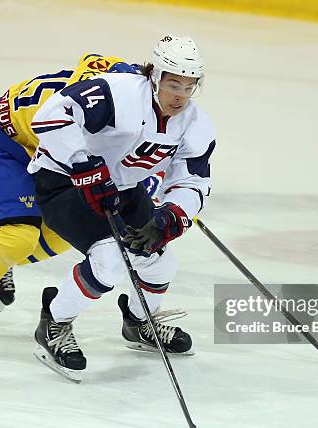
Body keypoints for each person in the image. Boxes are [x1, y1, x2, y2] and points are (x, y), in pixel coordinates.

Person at [30, 34, 216, 381]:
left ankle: (138, 323)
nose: (180, 95)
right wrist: (82, 163)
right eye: (173, 83)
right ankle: (54, 323)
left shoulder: (195, 123)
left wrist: (170, 216)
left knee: (160, 262)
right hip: (63, 184)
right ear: (156, 76)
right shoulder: (119, 93)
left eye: (189, 86)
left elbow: (192, 180)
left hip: (123, 190)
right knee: (108, 262)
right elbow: (51, 116)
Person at [0, 53, 132, 342]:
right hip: (7, 146)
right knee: (18, 236)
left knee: (64, 233)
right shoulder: (74, 107)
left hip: (43, 149)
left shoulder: (116, 97)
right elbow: (69, 159)